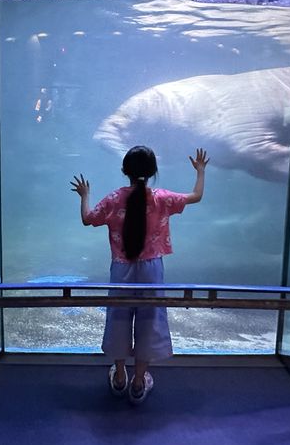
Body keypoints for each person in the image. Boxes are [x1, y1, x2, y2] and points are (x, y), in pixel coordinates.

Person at [70, 145, 209, 404]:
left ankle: (120, 375)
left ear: (125, 171)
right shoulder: (161, 198)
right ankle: (138, 382)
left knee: (119, 316)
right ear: (154, 171)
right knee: (149, 318)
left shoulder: (114, 199)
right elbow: (196, 196)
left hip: (122, 268)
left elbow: (88, 219)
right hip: (151, 269)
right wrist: (200, 171)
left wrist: (84, 195)